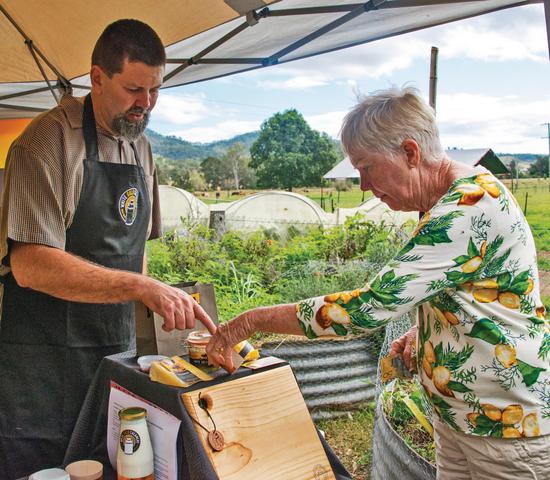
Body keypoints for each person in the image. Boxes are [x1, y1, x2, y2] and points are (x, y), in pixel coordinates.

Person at [207, 87, 549, 479]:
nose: (364, 185)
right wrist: (426, 330)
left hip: (507, 428)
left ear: (409, 152)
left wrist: (248, 322)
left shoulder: (467, 210)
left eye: (366, 167)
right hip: (464, 420)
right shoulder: (453, 198)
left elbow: (364, 309)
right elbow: (472, 292)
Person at [0, 19, 214, 478]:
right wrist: (141, 286)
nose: (147, 104)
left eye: (156, 90)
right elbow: (30, 264)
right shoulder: (47, 143)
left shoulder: (142, 147)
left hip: (114, 351)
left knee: (120, 462)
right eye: (134, 89)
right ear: (97, 77)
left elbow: (136, 253)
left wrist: (146, 339)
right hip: (46, 359)